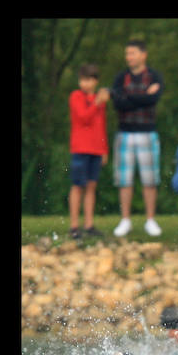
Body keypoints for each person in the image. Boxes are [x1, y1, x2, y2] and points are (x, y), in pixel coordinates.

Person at [109, 39, 165, 238]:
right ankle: (125, 220)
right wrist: (142, 97)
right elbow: (118, 103)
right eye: (127, 54)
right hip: (124, 133)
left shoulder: (154, 76)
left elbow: (153, 100)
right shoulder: (121, 77)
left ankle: (150, 220)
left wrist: (129, 97)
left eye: (132, 53)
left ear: (143, 54)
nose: (128, 57)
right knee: (125, 179)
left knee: (150, 179)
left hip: (147, 132)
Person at [67, 63, 109, 239]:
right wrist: (96, 103)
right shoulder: (76, 96)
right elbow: (83, 117)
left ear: (96, 81)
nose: (85, 84)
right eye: (83, 80)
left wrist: (104, 149)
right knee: (78, 186)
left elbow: (101, 126)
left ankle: (89, 224)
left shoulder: (100, 101)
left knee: (91, 186)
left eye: (89, 80)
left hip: (96, 149)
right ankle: (74, 226)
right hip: (81, 148)